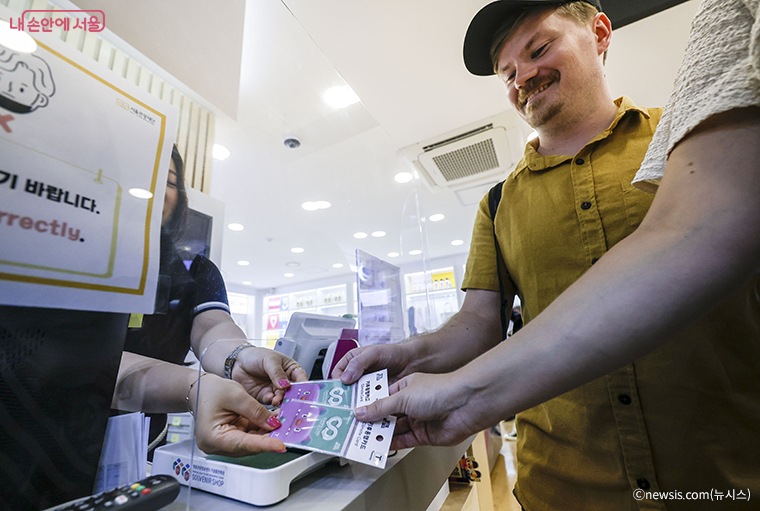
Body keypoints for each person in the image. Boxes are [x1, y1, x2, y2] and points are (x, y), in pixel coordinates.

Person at [335, 1, 760, 509]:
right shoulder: (497, 204)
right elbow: (478, 325)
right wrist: (411, 353)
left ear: (600, 34)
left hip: (727, 478)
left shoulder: (693, 140)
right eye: (508, 73)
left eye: (539, 50)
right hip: (559, 490)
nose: (523, 78)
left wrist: (468, 394)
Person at [112, 144, 308, 456]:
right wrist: (195, 387)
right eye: (144, 174)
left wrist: (241, 357)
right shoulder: (74, 252)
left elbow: (211, 328)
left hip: (145, 445)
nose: (158, 189)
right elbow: (88, 359)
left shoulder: (196, 268)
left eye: (171, 181)